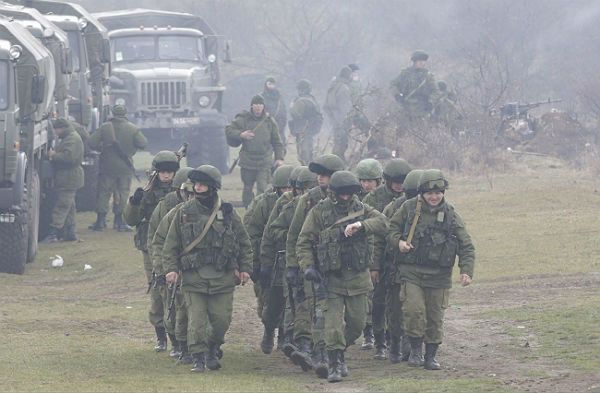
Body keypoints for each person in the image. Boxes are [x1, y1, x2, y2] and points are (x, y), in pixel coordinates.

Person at [297, 171, 388, 383]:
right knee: (333, 325)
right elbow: (303, 241)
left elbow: (383, 223)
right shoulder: (319, 212)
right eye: (342, 194)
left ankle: (338, 351)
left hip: (357, 277)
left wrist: (361, 225)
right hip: (331, 279)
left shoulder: (362, 209)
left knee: (356, 324)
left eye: (349, 193)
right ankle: (335, 362)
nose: (346, 198)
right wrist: (308, 267)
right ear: (333, 193)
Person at [163, 165, 252, 373]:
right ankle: (199, 357)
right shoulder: (184, 212)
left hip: (223, 277)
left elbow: (244, 242)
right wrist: (171, 269)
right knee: (196, 321)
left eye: (203, 184)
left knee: (221, 320)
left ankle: (213, 347)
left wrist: (246, 268)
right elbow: (171, 244)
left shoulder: (227, 213)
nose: (198, 188)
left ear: (212, 187)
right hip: (194, 277)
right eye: (196, 184)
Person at [387, 169, 475, 370]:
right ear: (421, 193)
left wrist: (466, 270)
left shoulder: (451, 214)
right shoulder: (409, 209)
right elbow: (390, 229)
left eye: (438, 193)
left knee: (435, 316)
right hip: (411, 272)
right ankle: (416, 351)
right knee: (413, 311)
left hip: (439, 275)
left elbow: (466, 244)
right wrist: (399, 242)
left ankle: (431, 355)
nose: (434, 197)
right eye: (429, 193)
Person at [285, 154, 345, 377]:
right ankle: (319, 354)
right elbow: (295, 236)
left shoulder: (351, 197)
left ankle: (334, 353)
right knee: (317, 309)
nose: (321, 178)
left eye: (326, 174)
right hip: (314, 266)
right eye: (319, 174)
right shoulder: (308, 200)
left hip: (341, 267)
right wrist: (294, 266)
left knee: (336, 314)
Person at [124, 151, 180, 352]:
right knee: (158, 289)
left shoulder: (182, 190)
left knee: (176, 291)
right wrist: (134, 202)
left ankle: (177, 336)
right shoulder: (147, 193)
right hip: (150, 246)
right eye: (163, 172)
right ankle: (161, 336)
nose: (167, 176)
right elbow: (131, 220)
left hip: (176, 246)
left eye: (170, 172)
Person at [260, 166, 317, 358]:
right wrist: (265, 265)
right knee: (275, 304)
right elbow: (271, 232)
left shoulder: (322, 204)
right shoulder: (287, 204)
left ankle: (291, 338)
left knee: (300, 302)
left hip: (309, 262)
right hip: (284, 260)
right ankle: (270, 330)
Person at [242, 164, 295, 353]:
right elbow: (252, 233)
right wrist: (257, 264)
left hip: (291, 258)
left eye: (291, 188)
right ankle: (269, 330)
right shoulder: (263, 203)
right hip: (269, 260)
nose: (287, 192)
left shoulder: (302, 202)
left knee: (290, 301)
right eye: (284, 188)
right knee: (270, 302)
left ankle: (284, 335)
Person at [147, 167, 193, 358]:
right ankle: (174, 341)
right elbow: (156, 240)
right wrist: (161, 270)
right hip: (170, 263)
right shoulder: (166, 207)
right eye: (187, 192)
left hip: (193, 266)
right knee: (170, 305)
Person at [381, 168, 423, 363]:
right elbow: (381, 237)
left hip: (420, 268)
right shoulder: (393, 209)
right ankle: (396, 343)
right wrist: (375, 267)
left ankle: (413, 344)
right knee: (395, 309)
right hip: (395, 266)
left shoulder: (435, 209)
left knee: (417, 309)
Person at [88, 105, 147, 231]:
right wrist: (130, 149)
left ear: (113, 113)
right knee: (123, 193)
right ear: (125, 113)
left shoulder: (105, 127)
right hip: (125, 167)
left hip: (107, 166)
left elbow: (91, 142)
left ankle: (100, 221)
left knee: (104, 193)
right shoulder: (132, 128)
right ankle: (119, 222)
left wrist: (101, 148)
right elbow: (143, 144)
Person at [225, 95, 285, 207]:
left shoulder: (269, 121)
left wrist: (279, 158)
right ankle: (248, 210)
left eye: (260, 105)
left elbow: (277, 142)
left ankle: (258, 210)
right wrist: (241, 134)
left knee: (262, 188)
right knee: (247, 188)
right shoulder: (244, 119)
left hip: (264, 161)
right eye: (255, 104)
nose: (258, 107)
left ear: (263, 106)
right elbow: (228, 130)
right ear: (252, 106)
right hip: (247, 161)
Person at [40, 118, 84, 243]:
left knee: (62, 205)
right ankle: (70, 233)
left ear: (62, 128)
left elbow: (69, 157)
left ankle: (53, 233)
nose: (55, 132)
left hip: (69, 177)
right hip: (68, 177)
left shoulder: (72, 139)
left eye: (56, 129)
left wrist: (53, 155)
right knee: (69, 206)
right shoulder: (70, 137)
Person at [390, 51, 440, 120]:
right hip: (406, 107)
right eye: (420, 61)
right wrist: (397, 95)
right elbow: (393, 85)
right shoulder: (405, 73)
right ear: (414, 62)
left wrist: (431, 102)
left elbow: (436, 91)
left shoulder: (428, 76)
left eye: (423, 61)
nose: (422, 63)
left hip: (422, 109)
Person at [288, 79, 323, 165]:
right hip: (301, 129)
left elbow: (317, 115)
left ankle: (307, 168)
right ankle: (305, 166)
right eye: (300, 89)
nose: (301, 91)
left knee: (306, 151)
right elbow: (293, 113)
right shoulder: (302, 100)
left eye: (303, 89)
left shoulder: (308, 100)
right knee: (302, 152)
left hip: (307, 129)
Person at [324, 67, 353, 161]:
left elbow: (326, 105)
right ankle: (336, 164)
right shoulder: (343, 88)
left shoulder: (333, 85)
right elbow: (345, 108)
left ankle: (336, 162)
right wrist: (348, 120)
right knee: (341, 143)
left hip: (334, 119)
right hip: (341, 120)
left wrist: (332, 118)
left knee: (338, 141)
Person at [262, 77, 288, 147]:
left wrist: (281, 125)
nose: (271, 86)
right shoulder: (261, 97)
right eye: (269, 84)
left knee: (280, 147)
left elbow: (283, 112)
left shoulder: (279, 97)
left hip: (279, 125)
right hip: (265, 126)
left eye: (272, 84)